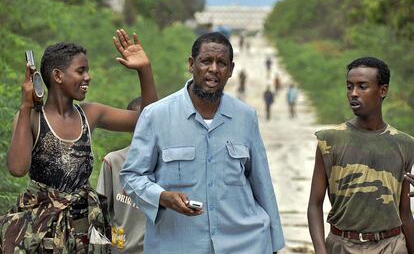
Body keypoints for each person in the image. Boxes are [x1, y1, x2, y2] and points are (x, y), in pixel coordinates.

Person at [120, 32, 285, 254]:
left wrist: (274, 244)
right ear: (191, 64)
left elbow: (262, 183)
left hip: (245, 244)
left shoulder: (245, 117)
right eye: (206, 61)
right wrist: (162, 197)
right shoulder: (156, 116)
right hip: (177, 245)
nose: (214, 69)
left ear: (231, 70)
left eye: (222, 63)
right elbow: (132, 176)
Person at [0, 29, 158, 253]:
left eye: (88, 71)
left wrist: (144, 70)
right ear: (58, 76)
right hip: (41, 230)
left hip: (85, 227)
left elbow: (147, 120)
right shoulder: (32, 118)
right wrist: (25, 106)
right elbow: (17, 168)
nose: (88, 77)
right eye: (81, 71)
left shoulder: (90, 114)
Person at [307, 57, 414, 254]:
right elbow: (314, 204)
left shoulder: (404, 143)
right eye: (349, 87)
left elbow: (405, 213)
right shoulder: (330, 141)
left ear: (383, 90)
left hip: (392, 246)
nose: (353, 93)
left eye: (362, 87)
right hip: (342, 245)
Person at [96, 97, 146, 254]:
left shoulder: (168, 164)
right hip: (121, 249)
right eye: (137, 122)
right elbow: (99, 214)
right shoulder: (113, 161)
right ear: (128, 125)